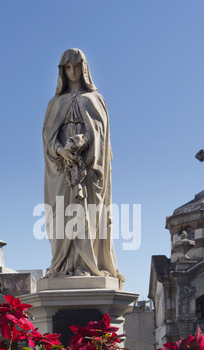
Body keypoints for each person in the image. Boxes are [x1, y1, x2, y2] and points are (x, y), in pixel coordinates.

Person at [42, 48, 124, 285]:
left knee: (87, 214)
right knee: (62, 215)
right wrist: (61, 150)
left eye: (77, 67)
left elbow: (101, 136)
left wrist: (83, 142)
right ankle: (64, 266)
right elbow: (48, 140)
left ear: (84, 69)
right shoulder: (55, 103)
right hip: (61, 170)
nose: (73, 71)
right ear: (62, 71)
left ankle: (88, 265)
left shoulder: (95, 100)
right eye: (68, 68)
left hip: (88, 170)